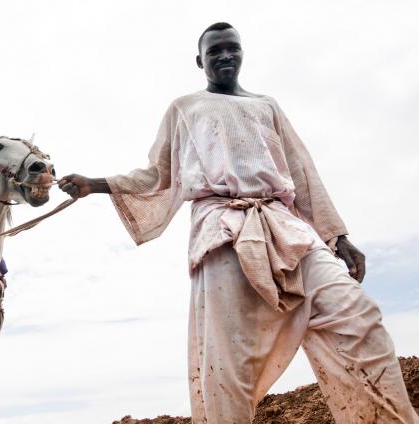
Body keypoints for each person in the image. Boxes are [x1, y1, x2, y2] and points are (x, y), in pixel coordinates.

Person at [59, 22, 418, 423]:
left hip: (284, 224)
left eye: (232, 49)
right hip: (221, 227)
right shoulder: (185, 107)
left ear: (243, 53)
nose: (225, 56)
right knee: (228, 358)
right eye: (215, 51)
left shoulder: (267, 105)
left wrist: (338, 236)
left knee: (357, 314)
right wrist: (95, 184)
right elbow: (156, 174)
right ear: (200, 60)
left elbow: (302, 173)